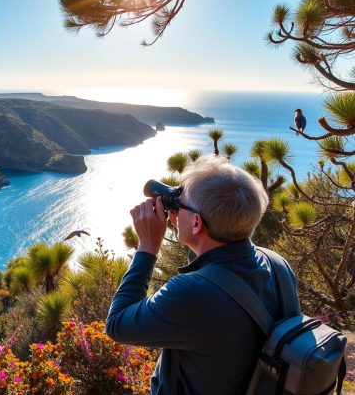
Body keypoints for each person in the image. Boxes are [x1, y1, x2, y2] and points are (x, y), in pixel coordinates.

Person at [105, 155, 299, 395]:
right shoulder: (277, 264)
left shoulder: (192, 292)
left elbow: (117, 325)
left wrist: (147, 246)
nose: (173, 210)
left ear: (196, 223)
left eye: (179, 202)